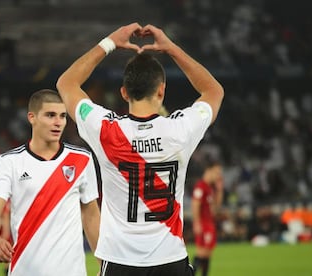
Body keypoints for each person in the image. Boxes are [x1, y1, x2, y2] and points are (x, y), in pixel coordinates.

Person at [56, 23, 224, 276]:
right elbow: (214, 90)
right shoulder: (180, 129)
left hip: (120, 262)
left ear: (124, 93)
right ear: (162, 90)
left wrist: (110, 42)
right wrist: (171, 49)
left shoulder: (105, 130)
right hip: (171, 260)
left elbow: (66, 83)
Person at [0, 89, 101, 276]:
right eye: (50, 115)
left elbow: (91, 215)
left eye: (62, 116)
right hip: (25, 270)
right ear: (32, 117)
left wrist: (103, 265)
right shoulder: (9, 162)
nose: (58, 122)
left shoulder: (82, 159)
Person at [191, 161, 224, 276]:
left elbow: (216, 209)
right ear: (208, 171)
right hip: (203, 224)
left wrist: (220, 190)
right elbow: (195, 204)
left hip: (210, 223)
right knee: (201, 253)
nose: (218, 175)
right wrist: (197, 223)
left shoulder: (210, 188)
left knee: (207, 254)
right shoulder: (201, 186)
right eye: (216, 172)